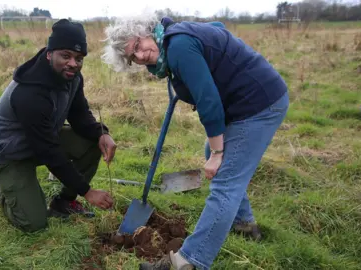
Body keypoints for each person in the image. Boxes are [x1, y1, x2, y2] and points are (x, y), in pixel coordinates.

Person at [102, 15, 289, 270]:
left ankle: (189, 261)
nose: (140, 56)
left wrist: (218, 151)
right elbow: (217, 29)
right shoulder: (173, 40)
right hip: (246, 102)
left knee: (225, 184)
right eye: (132, 57)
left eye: (137, 46)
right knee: (217, 158)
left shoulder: (177, 46)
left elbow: (208, 101)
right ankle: (244, 224)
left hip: (259, 104)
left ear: (145, 32)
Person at [0, 19, 116, 233]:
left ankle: (63, 202)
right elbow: (48, 151)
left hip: (41, 138)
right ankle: (1, 182)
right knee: (34, 223)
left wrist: (101, 133)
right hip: (7, 151)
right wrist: (88, 191)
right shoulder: (30, 93)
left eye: (79, 58)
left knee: (90, 143)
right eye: (66, 55)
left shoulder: (73, 78)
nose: (73, 63)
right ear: (49, 53)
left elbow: (79, 113)